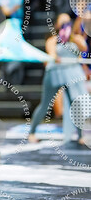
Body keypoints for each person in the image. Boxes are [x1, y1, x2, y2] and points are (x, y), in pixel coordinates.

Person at [28, 14, 88, 144]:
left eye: (67, 21)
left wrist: (71, 37)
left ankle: (80, 135)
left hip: (71, 74)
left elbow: (84, 48)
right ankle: (31, 132)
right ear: (57, 24)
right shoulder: (53, 39)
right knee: (45, 104)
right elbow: (52, 54)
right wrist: (56, 55)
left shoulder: (75, 38)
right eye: (62, 21)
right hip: (55, 73)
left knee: (75, 104)